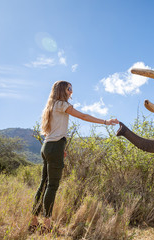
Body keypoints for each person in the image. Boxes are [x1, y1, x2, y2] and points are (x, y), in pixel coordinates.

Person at [29, 80, 119, 233]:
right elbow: (83, 116)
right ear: (63, 90)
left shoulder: (51, 106)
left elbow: (53, 131)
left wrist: (60, 148)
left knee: (43, 184)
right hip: (54, 147)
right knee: (52, 186)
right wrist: (105, 121)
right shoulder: (62, 105)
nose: (71, 91)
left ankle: (33, 222)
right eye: (69, 88)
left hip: (47, 147)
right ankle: (47, 225)